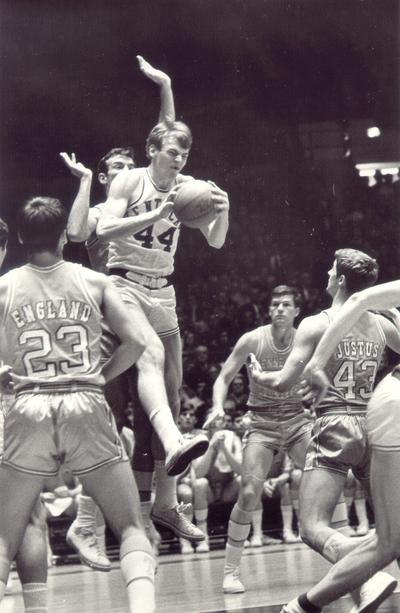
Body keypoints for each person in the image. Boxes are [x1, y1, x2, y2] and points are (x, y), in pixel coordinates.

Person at [0, 197, 156, 612]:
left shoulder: (3, 287)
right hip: (84, 400)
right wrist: (101, 376)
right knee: (129, 528)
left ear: (18, 238)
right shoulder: (95, 282)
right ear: (63, 238)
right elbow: (137, 341)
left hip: (27, 403)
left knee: (4, 538)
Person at [249, 250, 400, 610]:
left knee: (312, 526)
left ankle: (370, 573)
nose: (327, 275)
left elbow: (286, 381)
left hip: (335, 421)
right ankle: (368, 574)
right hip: (376, 425)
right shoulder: (383, 326)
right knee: (392, 529)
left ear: (342, 281)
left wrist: (259, 376)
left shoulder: (318, 324)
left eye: (331, 271)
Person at [205, 285, 312, 593]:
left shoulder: (305, 337)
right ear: (268, 310)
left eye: (286, 305)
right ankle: (230, 572)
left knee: (332, 476)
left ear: (296, 311)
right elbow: (224, 377)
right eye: (275, 304)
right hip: (262, 422)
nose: (279, 309)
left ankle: (346, 558)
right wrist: (216, 406)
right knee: (249, 492)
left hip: (297, 419)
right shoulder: (253, 339)